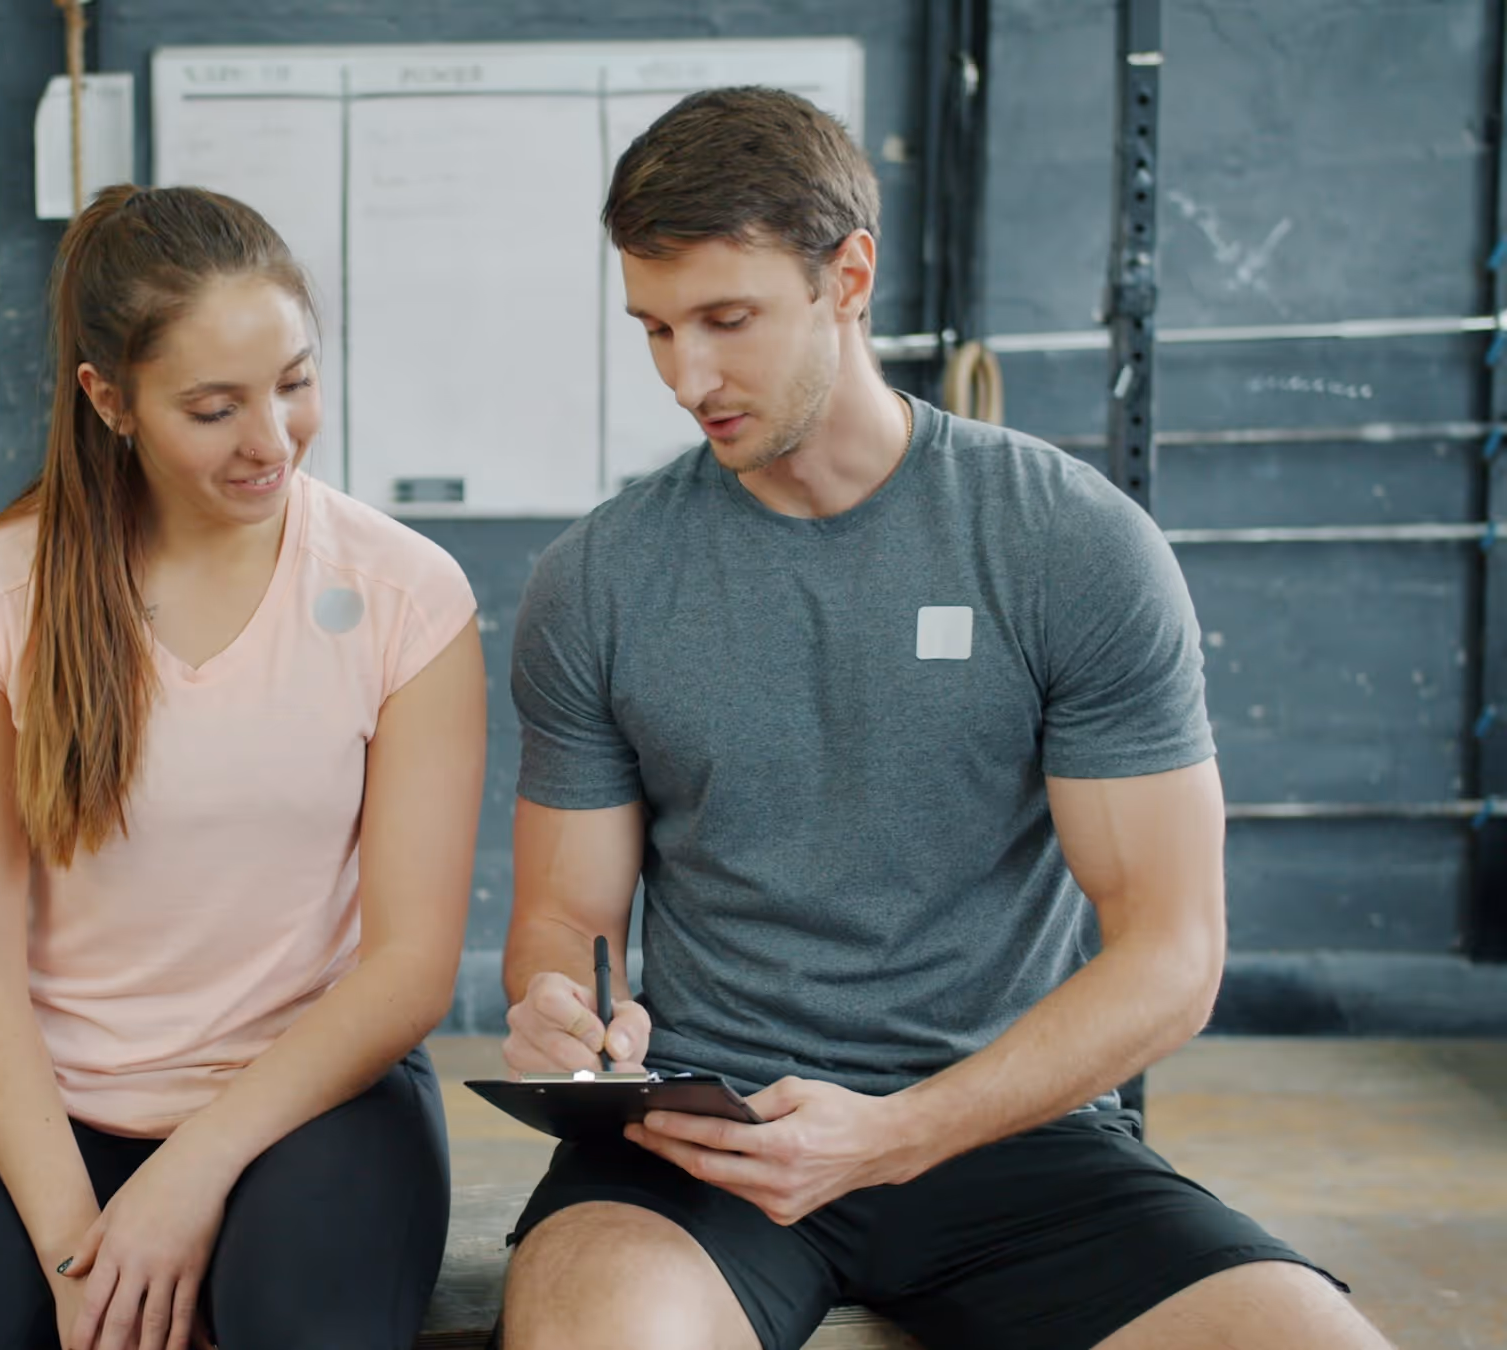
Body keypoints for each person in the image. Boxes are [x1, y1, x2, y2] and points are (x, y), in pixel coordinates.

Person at [494, 87, 1389, 1350]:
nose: (686, 375)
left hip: (1005, 1133)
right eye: (653, 328)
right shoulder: (599, 581)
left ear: (847, 277)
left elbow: (1173, 957)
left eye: (727, 319)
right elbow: (566, 920)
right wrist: (557, 1002)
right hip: (708, 1144)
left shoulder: (1068, 546)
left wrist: (898, 1132)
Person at [0, 185, 486, 1350]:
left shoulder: (407, 594)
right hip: (60, 1108)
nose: (272, 439)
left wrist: (187, 1177)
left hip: (316, 1104)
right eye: (215, 409)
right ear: (108, 401)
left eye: (295, 383)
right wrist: (80, 1250)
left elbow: (412, 967)